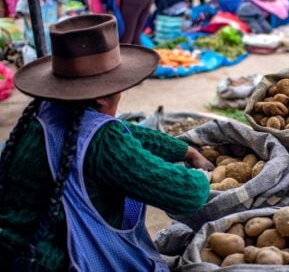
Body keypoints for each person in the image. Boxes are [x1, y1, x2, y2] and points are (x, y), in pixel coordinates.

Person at [0, 14, 213, 271]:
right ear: (102, 95)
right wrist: (203, 176)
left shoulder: (40, 116)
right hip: (65, 262)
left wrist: (184, 149)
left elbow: (124, 132)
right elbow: (187, 196)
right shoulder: (103, 143)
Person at [82, 0, 153, 44]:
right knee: (136, 37)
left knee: (125, 40)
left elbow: (99, 14)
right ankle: (143, 61)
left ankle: (125, 61)